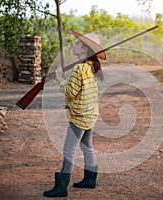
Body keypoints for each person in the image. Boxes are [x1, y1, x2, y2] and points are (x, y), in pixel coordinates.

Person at [43, 29, 106, 198]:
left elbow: (70, 93)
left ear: (85, 49)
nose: (75, 44)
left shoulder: (79, 68)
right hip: (90, 115)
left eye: (78, 43)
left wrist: (59, 78)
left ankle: (61, 187)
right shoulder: (91, 66)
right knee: (87, 146)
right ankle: (90, 179)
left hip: (79, 117)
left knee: (68, 149)